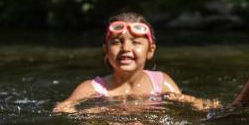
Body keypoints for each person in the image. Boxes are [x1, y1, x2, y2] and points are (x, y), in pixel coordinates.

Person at [54, 12, 219, 113]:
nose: (126, 48)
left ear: (150, 51)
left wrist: (206, 106)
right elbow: (62, 109)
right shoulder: (92, 88)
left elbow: (189, 101)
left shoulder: (161, 83)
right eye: (117, 42)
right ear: (105, 50)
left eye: (136, 42)